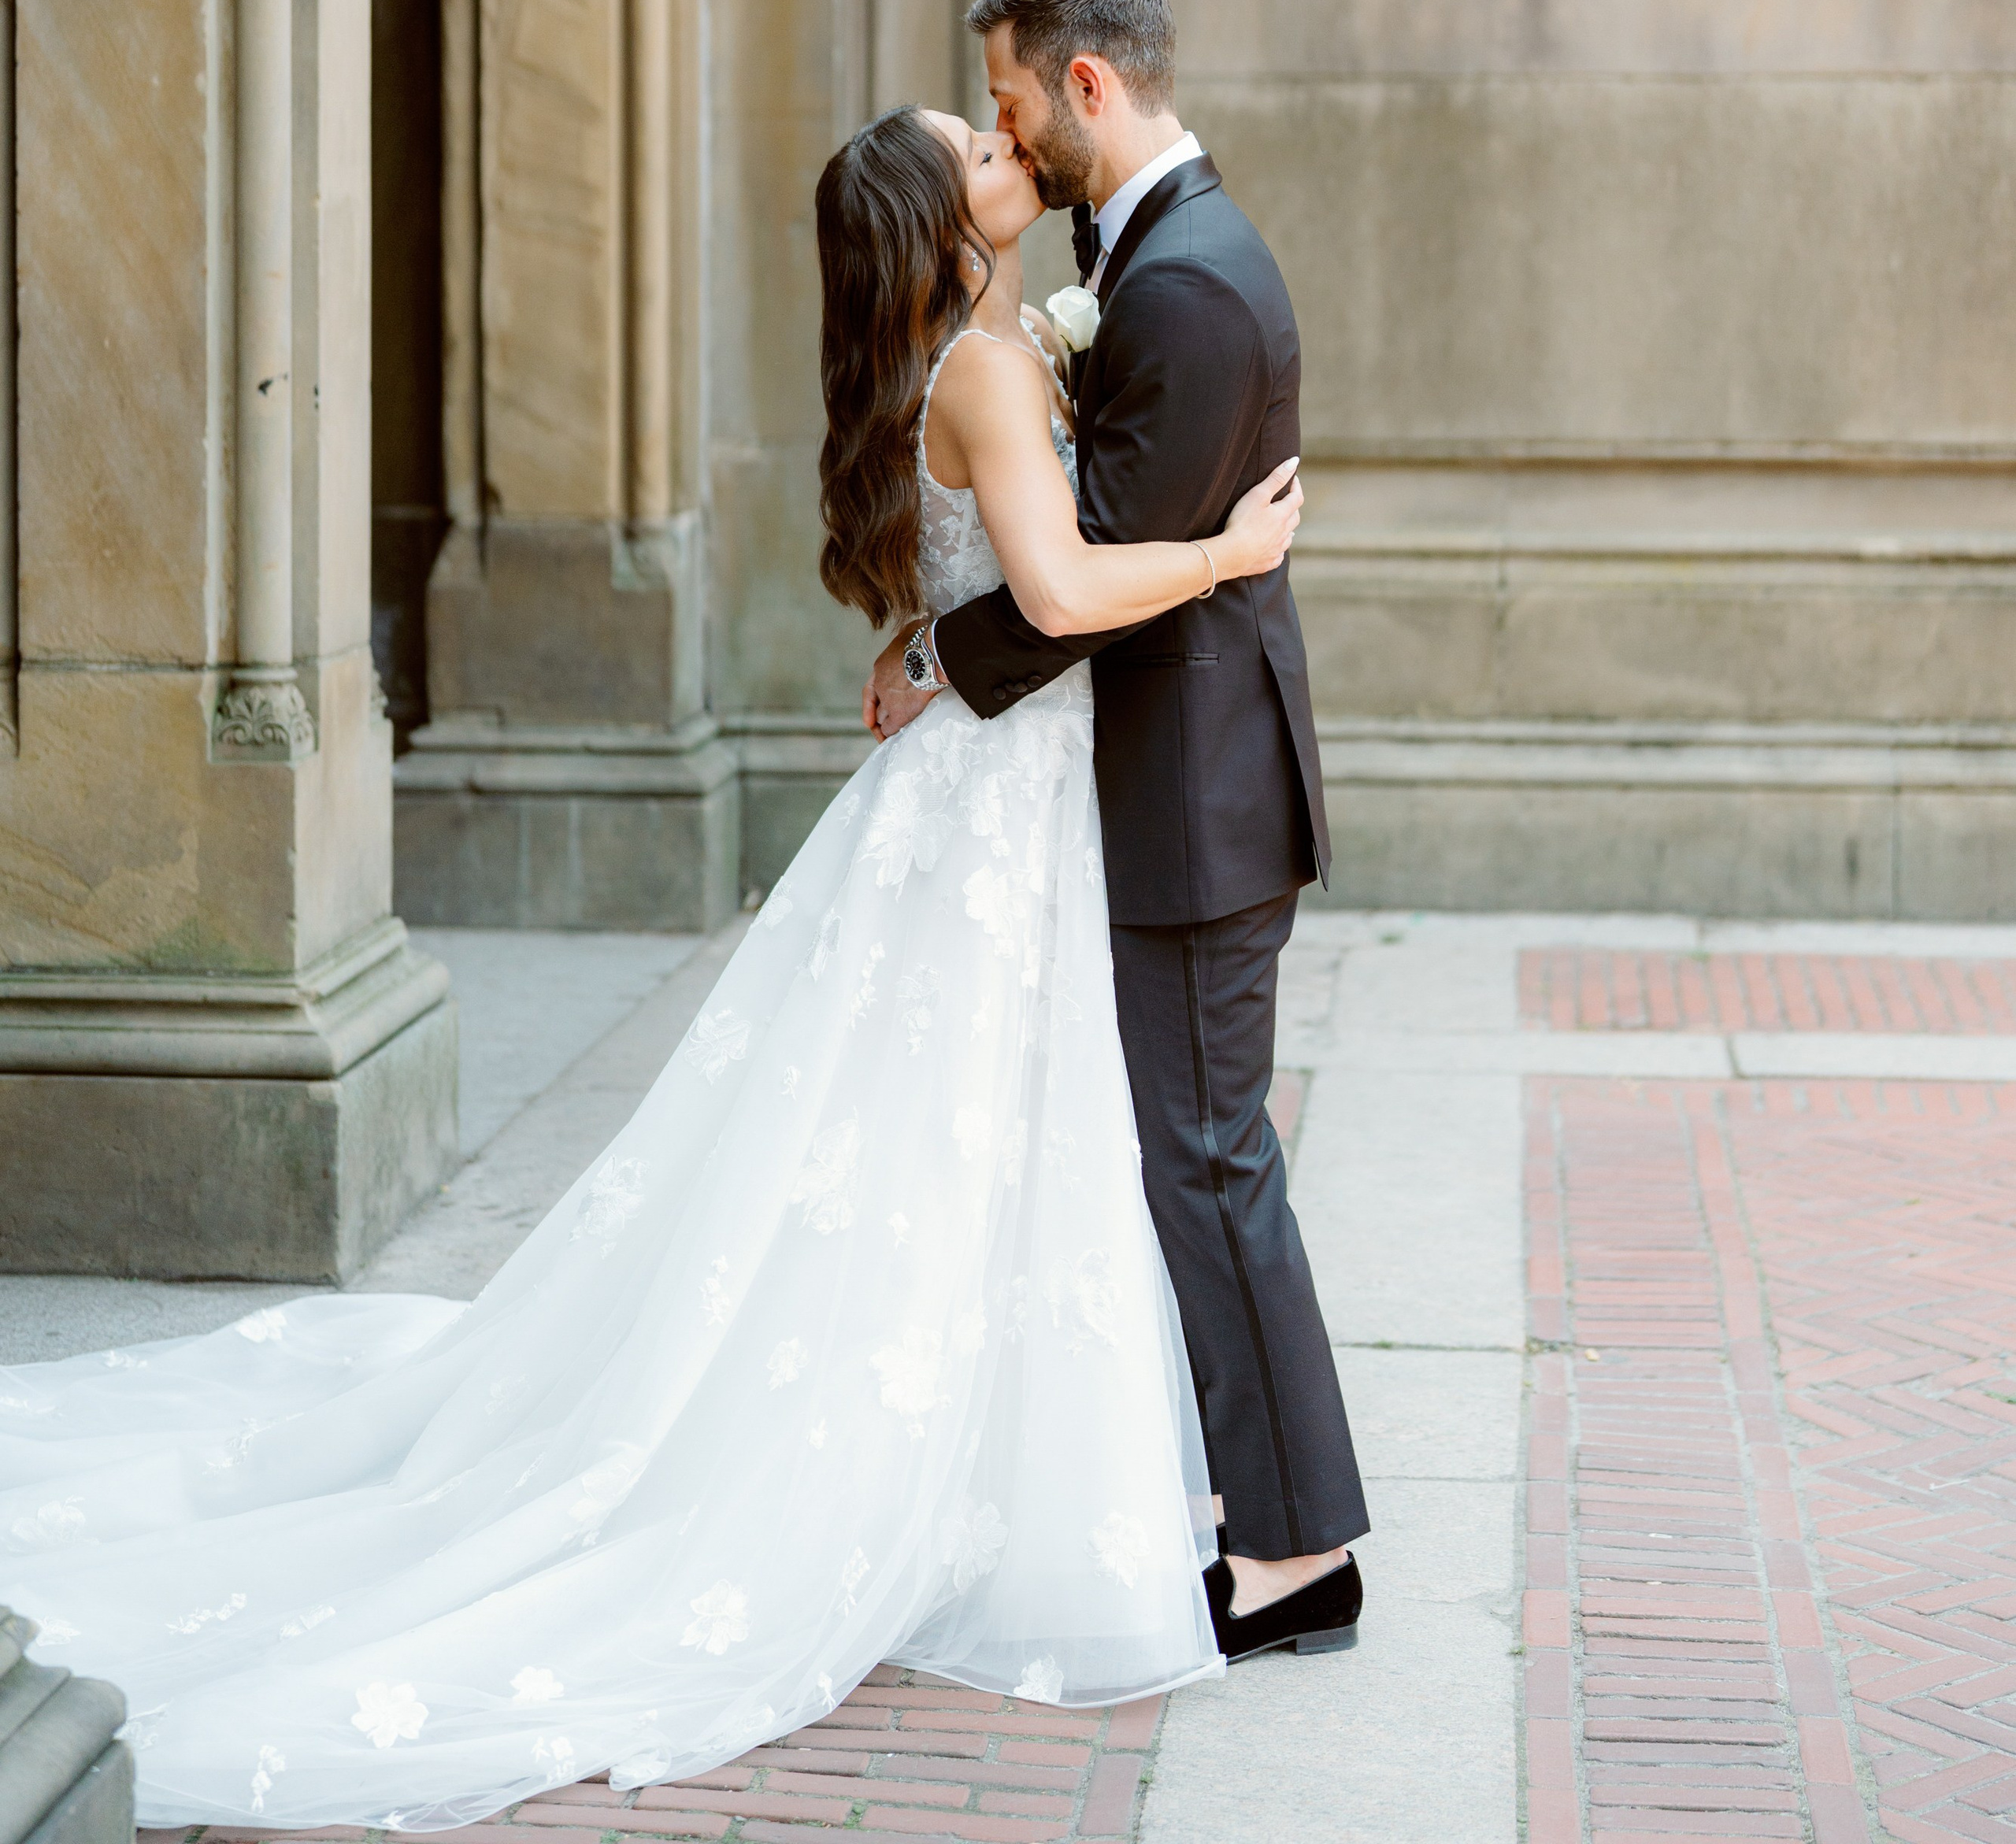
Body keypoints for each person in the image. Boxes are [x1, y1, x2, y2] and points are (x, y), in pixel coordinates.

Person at [0, 102, 1305, 1834]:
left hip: (992, 799)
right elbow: (1057, 593)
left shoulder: (969, 358)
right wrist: (1226, 555)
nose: (1004, 150)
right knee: (962, 1150)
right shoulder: (986, 370)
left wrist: (930, 635)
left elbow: (977, 584)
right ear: (945, 223)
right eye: (972, 150)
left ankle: (973, 1480)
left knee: (944, 1157)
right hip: (1001, 812)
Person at [869, 0, 1368, 1662]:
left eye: (1011, 99)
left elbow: (1087, 581)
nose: (1002, 125)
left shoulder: (1183, 289)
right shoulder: (1144, 261)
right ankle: (1261, 1514)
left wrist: (940, 657)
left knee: (1212, 1164)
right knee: (1193, 1161)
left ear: (1085, 90)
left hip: (1192, 801)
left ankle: (1299, 1560)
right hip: (1167, 786)